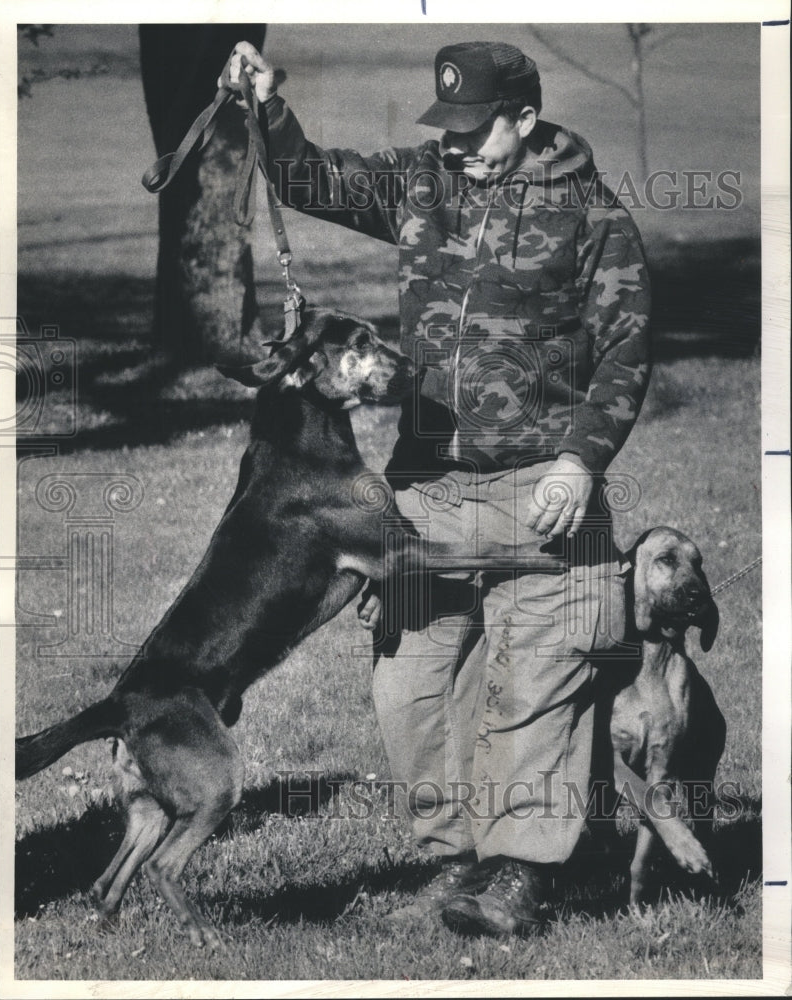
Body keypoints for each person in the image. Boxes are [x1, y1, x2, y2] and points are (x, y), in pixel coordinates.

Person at [225, 38, 651, 937]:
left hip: (545, 493)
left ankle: (520, 874)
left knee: (540, 681)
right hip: (425, 494)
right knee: (410, 683)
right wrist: (265, 105)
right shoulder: (425, 183)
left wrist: (581, 461)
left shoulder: (593, 218)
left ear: (525, 120)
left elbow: (625, 351)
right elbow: (309, 180)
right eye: (444, 126)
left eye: (473, 128)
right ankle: (453, 853)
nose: (452, 144)